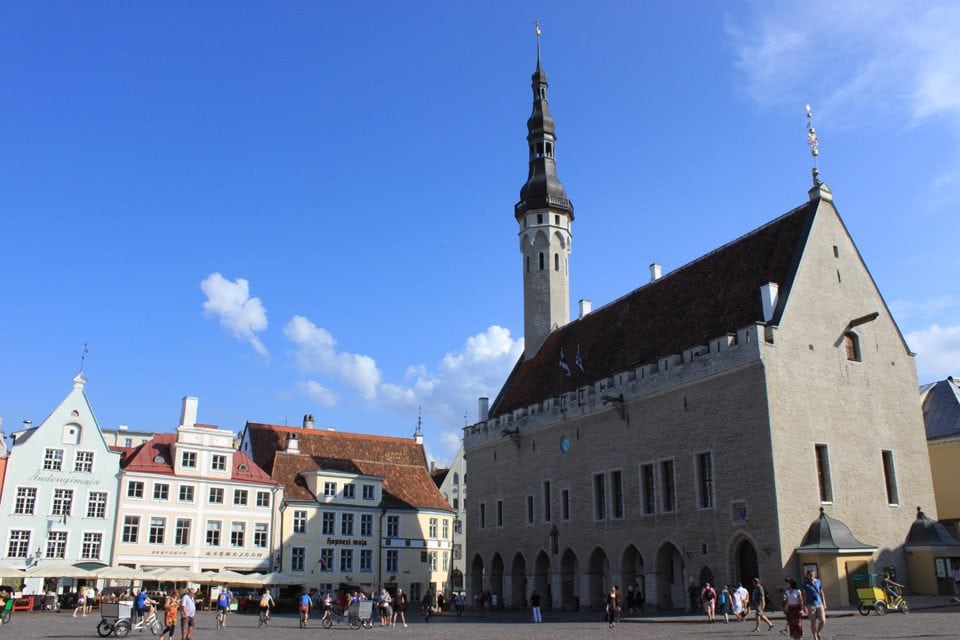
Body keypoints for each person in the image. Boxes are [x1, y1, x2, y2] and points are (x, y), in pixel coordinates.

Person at [801, 568, 826, 640]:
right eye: (809, 575)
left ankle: (818, 632)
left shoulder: (818, 581)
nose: (811, 576)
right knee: (813, 621)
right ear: (807, 576)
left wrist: (824, 602)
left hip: (819, 603)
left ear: (815, 575)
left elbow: (821, 592)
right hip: (810, 604)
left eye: (812, 575)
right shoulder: (805, 584)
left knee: (822, 620)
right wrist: (804, 606)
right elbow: (804, 596)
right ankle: (815, 637)